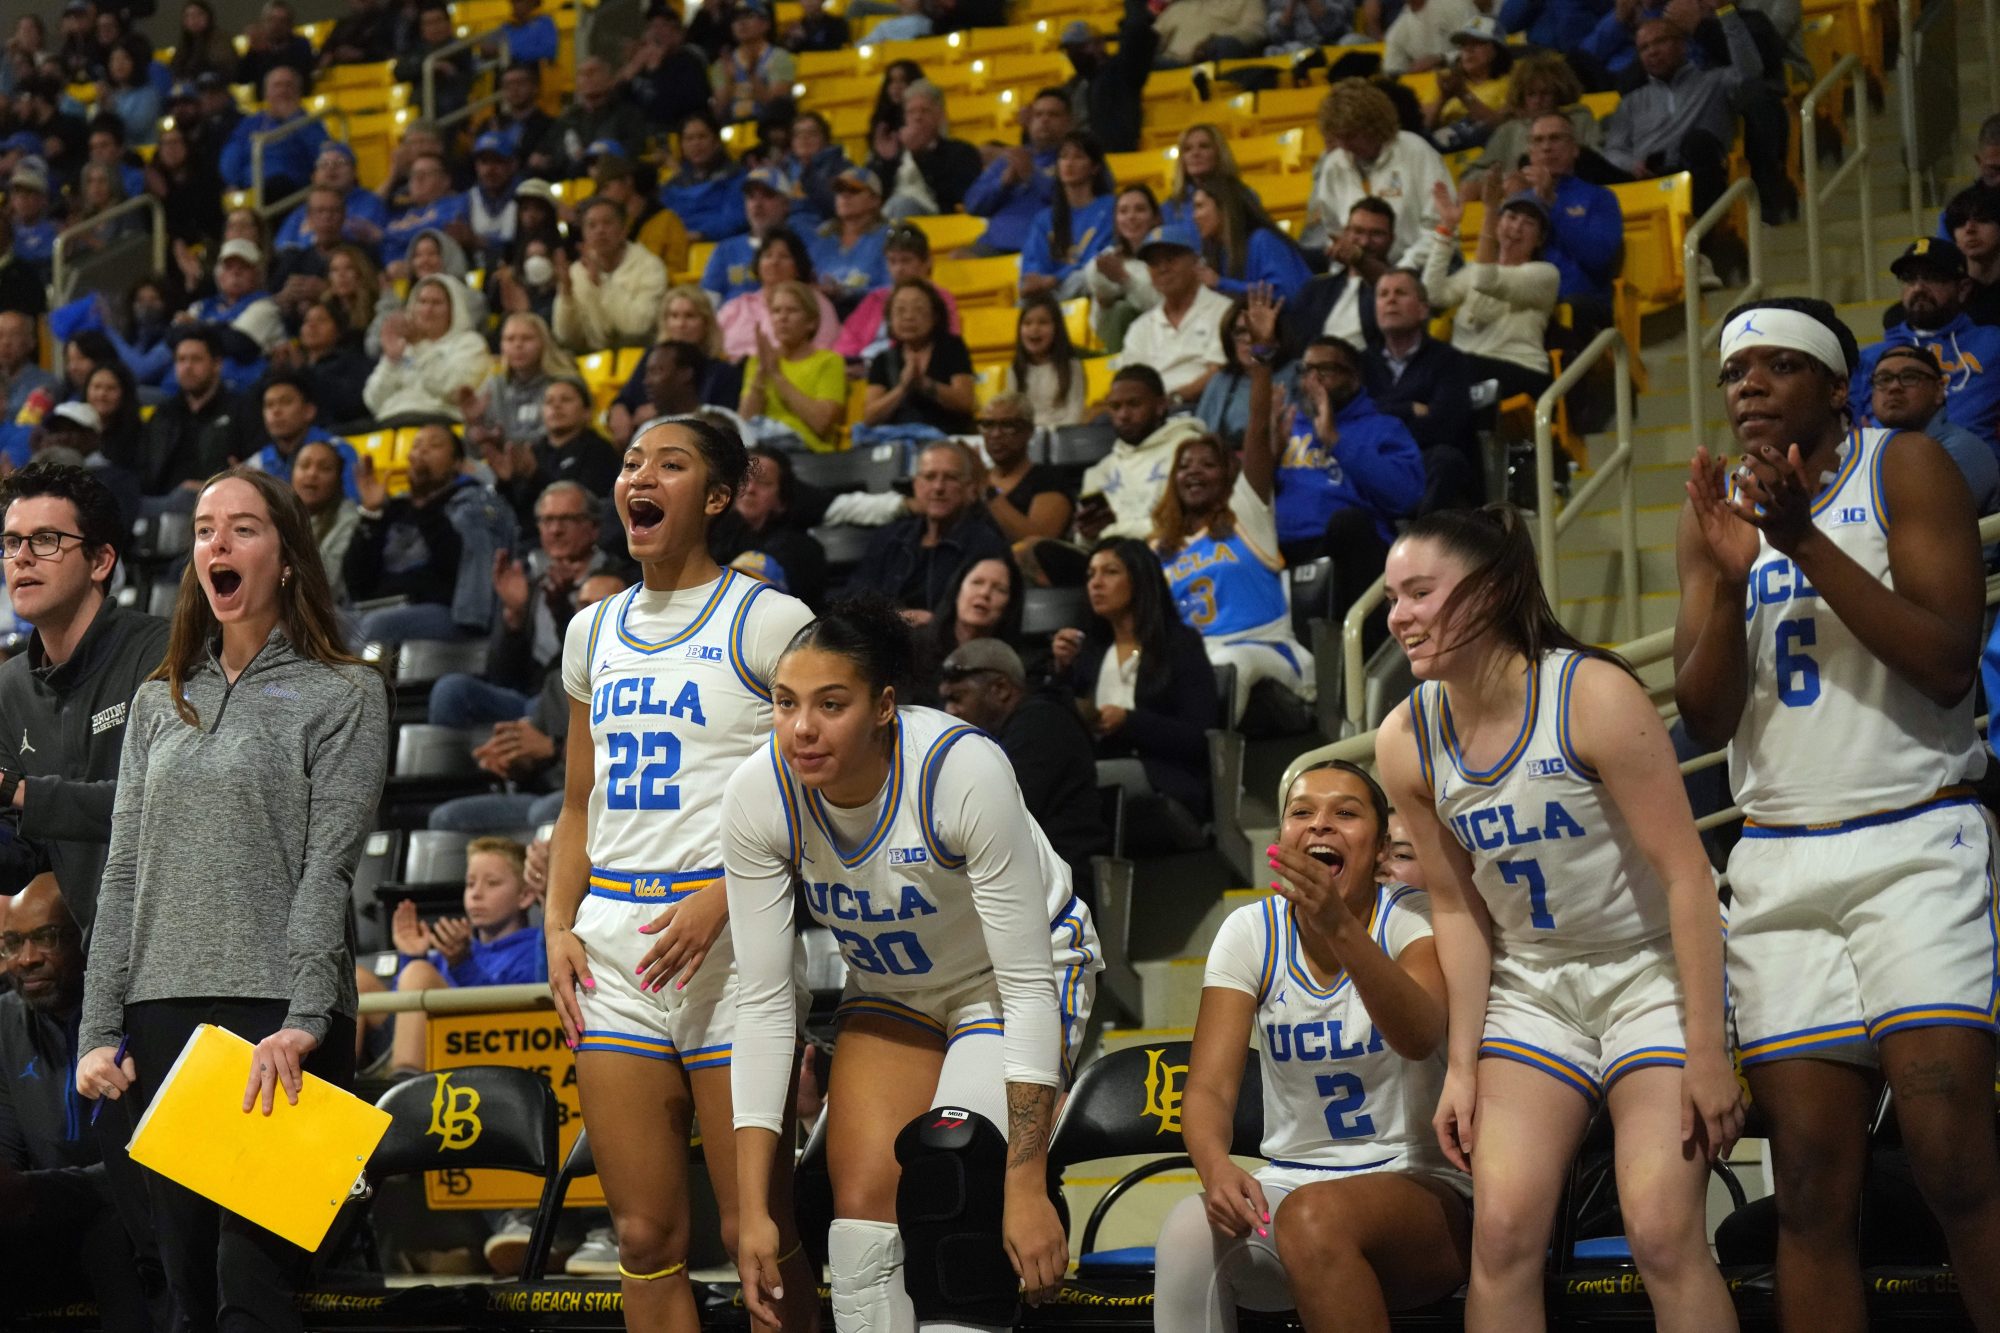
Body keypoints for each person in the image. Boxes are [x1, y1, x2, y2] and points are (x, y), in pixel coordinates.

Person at [1676, 298, 2000, 1332]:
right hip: (1777, 857)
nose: (1749, 387)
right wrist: (1727, 586)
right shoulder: (1716, 509)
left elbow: (1949, 666)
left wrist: (1801, 542)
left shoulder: (1901, 466)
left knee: (1952, 1158)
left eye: (1776, 366)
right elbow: (1702, 711)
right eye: (1735, 373)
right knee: (1810, 1190)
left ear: (1831, 383)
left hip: (1914, 836)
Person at [1372, 502, 1742, 1332]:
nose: (1399, 614)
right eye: (1392, 596)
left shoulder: (1593, 694)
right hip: (1534, 984)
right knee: (1500, 1237)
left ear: (1494, 588)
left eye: (1420, 592)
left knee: (1659, 1228)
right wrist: (1461, 1065)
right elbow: (1459, 909)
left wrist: (1709, 1044)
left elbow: (1689, 876)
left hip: (1648, 970)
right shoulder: (1405, 736)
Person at [721, 597, 1100, 1331]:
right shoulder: (758, 795)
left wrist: (1025, 1185)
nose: (803, 727)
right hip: (894, 990)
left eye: (832, 704)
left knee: (953, 1174)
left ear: (884, 705)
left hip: (1011, 977)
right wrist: (752, 1213)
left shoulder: (961, 768)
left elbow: (1027, 988)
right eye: (786, 702)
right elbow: (767, 1006)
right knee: (859, 1219)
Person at [75, 467, 389, 1333]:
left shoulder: (346, 691)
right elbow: (124, 871)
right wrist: (99, 1029)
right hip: (161, 1015)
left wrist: (306, 1018)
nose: (217, 542)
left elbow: (328, 869)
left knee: (250, 1292)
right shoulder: (156, 702)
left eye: (243, 528)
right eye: (207, 529)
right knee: (181, 1299)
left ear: (286, 557)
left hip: (279, 1022)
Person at [540, 413, 819, 1328]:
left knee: (756, 1226)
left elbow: (819, 791)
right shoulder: (592, 629)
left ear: (719, 495)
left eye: (671, 462)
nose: (640, 477)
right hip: (616, 943)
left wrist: (725, 897)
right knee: (644, 1235)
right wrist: (556, 927)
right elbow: (579, 802)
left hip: (732, 942)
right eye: (630, 463)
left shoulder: (769, 620)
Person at [1153, 761, 1471, 1333]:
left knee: (1313, 1217)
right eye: (1302, 812)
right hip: (1295, 1179)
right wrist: (1216, 1167)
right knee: (1185, 1232)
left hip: (1423, 1187)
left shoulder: (1412, 919)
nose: (1321, 824)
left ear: (1377, 851)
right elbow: (1207, 1089)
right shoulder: (1251, 932)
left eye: (1346, 813)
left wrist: (1338, 925)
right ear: (1282, 840)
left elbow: (1420, 1036)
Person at [0, 875, 156, 1332]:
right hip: (44, 1229)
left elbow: (149, 1171)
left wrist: (40, 1191)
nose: (27, 959)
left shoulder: (139, 1019)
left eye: (46, 938)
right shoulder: (4, 1025)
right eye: (11, 943)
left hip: (134, 1229)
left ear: (89, 939)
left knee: (110, 1233)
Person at [1241, 322, 1424, 623]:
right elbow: (1250, 498)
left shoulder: (1382, 428)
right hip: (1281, 547)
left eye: (1325, 370)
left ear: (1354, 378)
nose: (1312, 380)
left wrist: (1334, 440)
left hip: (1346, 548)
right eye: (1306, 370)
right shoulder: (1288, 425)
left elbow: (1405, 497)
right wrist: (1270, 452)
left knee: (1348, 523)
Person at [1050, 539, 1218, 818]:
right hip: (1102, 769)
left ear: (1140, 578)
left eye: (1110, 572)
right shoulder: (1091, 653)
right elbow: (1059, 724)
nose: (1096, 583)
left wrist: (1129, 722)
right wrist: (1062, 670)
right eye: (1091, 575)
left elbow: (1199, 738)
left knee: (1069, 784)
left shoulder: (1180, 646)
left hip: (1165, 776)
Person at [1151, 434, 1314, 721]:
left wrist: (1260, 388)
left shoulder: (1246, 518)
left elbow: (1259, 430)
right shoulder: (1158, 550)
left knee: (1228, 665)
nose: (1194, 471)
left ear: (1227, 475)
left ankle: (1208, 761)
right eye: (1184, 465)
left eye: (1208, 464)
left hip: (1264, 647)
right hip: (1196, 654)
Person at [355, 836, 546, 1079]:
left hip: (484, 1051)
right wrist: (413, 956)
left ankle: (400, 1088)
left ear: (526, 896)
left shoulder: (533, 949)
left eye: (492, 883)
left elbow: (506, 1020)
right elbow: (405, 1019)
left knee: (420, 974)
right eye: (470, 883)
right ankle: (328, 1086)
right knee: (355, 979)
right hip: (432, 1043)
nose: (476, 894)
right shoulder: (455, 949)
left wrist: (461, 966)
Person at [936, 636, 1109, 895]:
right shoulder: (1006, 732)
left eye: (958, 697)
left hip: (1058, 894)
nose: (950, 711)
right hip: (1019, 879)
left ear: (1000, 689)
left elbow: (994, 818)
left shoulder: (1043, 724)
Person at [344, 424, 518, 644]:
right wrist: (371, 513)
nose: (422, 450)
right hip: (376, 609)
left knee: (375, 626)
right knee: (307, 624)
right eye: (416, 445)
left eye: (434, 445)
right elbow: (356, 583)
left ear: (457, 464)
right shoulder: (394, 506)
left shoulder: (474, 504)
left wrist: (425, 505)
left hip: (442, 612)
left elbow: (460, 566)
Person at [1600, 12, 1766, 232]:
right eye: (1644, 48)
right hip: (1648, 182)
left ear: (1683, 45)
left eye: (1660, 41)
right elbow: (1613, 150)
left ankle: (1705, 233)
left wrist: (1727, 15)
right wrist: (1633, 164)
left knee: (1697, 141)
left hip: (1699, 179)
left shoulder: (1715, 82)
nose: (1653, 52)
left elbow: (1750, 74)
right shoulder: (1631, 103)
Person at [1850, 238, 2000, 455]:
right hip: (1890, 466)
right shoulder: (1870, 358)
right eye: (1909, 279)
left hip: (1970, 465)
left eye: (1932, 277)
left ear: (1963, 288)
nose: (1919, 287)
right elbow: (1852, 428)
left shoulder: (1993, 344)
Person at [1359, 269, 1485, 513]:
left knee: (1446, 460)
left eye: (1400, 293)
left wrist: (1383, 421)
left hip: (1424, 464)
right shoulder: (1360, 364)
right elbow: (1357, 422)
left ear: (1423, 309)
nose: (1391, 300)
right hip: (1378, 465)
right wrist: (1408, 408)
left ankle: (1420, 542)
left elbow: (1445, 426)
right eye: (1383, 294)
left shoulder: (1449, 360)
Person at [850, 442, 1011, 617]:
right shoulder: (890, 537)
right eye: (929, 477)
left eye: (950, 478)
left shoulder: (986, 546)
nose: (938, 488)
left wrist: (935, 625)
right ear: (916, 485)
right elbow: (854, 598)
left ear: (969, 488)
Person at [1495, 111, 1624, 325]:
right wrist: (1493, 209)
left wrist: (1552, 203)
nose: (1546, 147)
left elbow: (1599, 258)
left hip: (1580, 303)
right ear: (1530, 151)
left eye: (1555, 138)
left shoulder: (1600, 197)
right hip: (1526, 297)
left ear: (1574, 149)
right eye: (1538, 140)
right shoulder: (1518, 202)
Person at [1305, 80, 1450, 266]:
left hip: (1424, 269)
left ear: (1374, 126)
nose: (1344, 145)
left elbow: (1440, 227)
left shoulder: (1416, 152)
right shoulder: (1334, 165)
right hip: (1362, 274)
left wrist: (1402, 271)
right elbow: (1336, 234)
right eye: (1338, 137)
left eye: (1350, 136)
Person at [1074, 366, 1211, 546]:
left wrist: (1113, 530)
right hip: (1109, 564)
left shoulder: (1189, 450)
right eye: (1115, 407)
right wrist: (1086, 535)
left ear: (1161, 406)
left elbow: (1184, 525)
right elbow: (1085, 546)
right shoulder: (1098, 472)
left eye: (1134, 404)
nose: (1123, 415)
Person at [1868, 342, 2000, 520]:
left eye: (1909, 377)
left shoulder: (1961, 450)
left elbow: (1917, 524)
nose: (1894, 387)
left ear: (1939, 390)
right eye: (1883, 379)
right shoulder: (1869, 449)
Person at [1114, 225, 1236, 409]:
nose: (1162, 268)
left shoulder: (1224, 310)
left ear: (1196, 262)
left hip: (1204, 406)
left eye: (1170, 259)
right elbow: (1132, 380)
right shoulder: (1141, 327)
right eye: (1154, 263)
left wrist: (1175, 398)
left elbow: (1220, 371)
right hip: (1151, 412)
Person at [1453, 54, 1604, 201]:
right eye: (1531, 94)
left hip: (1570, 191)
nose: (1538, 100)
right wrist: (1506, 177)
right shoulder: (1509, 130)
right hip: (1516, 194)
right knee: (1468, 189)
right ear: (1522, 97)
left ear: (1559, 94)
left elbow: (1596, 163)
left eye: (1545, 93)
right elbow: (1474, 173)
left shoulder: (1580, 120)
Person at [139, 329, 259, 498]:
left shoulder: (242, 410)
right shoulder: (163, 413)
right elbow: (144, 471)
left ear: (217, 364)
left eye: (196, 359)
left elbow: (252, 471)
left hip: (220, 503)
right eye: (181, 360)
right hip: (161, 506)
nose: (187, 366)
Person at [362, 276, 492, 424]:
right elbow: (374, 402)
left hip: (439, 421)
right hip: (391, 421)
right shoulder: (403, 346)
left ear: (453, 309)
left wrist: (420, 347)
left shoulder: (470, 343)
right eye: (422, 302)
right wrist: (390, 361)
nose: (427, 310)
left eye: (436, 303)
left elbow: (455, 390)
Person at [739, 280, 848, 455]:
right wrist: (761, 372)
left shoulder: (829, 361)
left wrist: (777, 375)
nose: (782, 317)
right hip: (760, 451)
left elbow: (821, 423)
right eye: (776, 311)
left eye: (792, 311)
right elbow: (745, 422)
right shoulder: (758, 361)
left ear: (811, 322)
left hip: (808, 455)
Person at [835, 224, 964, 366]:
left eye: (906, 260)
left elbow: (948, 344)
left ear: (927, 262)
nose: (898, 269)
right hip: (864, 368)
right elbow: (848, 339)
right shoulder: (875, 299)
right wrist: (850, 364)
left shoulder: (940, 299)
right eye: (892, 261)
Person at [552, 197, 669, 355]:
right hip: (592, 357)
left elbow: (639, 327)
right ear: (584, 234)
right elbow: (566, 337)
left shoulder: (650, 267)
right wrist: (566, 294)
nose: (600, 230)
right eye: (592, 225)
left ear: (624, 230)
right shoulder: (576, 272)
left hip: (640, 353)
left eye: (607, 223)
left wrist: (602, 283)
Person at [861, 281, 978, 437]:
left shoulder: (952, 348)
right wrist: (902, 388)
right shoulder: (882, 359)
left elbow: (965, 402)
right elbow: (870, 417)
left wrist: (925, 384)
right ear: (890, 318)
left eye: (919, 309)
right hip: (898, 444)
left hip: (947, 439)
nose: (909, 317)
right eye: (900, 310)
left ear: (935, 316)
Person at [964, 90, 1070, 257]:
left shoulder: (1080, 158)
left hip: (1045, 247)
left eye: (1053, 114)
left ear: (1069, 122)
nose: (1044, 120)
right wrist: (1003, 183)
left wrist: (1032, 177)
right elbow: (972, 204)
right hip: (993, 244)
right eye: (1038, 114)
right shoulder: (1012, 158)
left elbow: (1079, 202)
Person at [467, 310, 578, 465]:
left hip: (553, 464)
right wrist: (473, 423)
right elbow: (474, 453)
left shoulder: (563, 382)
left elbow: (556, 439)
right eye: (510, 339)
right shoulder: (494, 386)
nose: (518, 345)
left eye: (527, 338)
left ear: (544, 343)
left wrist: (503, 441)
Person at [719, 227, 842, 362]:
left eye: (784, 256)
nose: (774, 262)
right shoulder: (737, 306)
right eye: (768, 255)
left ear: (798, 267)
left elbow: (822, 352)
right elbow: (712, 346)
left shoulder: (815, 303)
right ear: (758, 265)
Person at [1020, 133, 1116, 302]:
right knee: (1026, 299)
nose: (1069, 163)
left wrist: (1056, 278)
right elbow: (1034, 261)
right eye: (1063, 157)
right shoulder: (1044, 219)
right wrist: (1035, 278)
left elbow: (1102, 256)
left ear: (1095, 167)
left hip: (1090, 284)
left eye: (1078, 157)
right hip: (1052, 290)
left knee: (1088, 276)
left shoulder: (1110, 207)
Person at [870, 80, 983, 221]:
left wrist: (920, 155)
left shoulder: (960, 152)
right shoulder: (895, 150)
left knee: (901, 205)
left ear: (940, 116)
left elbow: (958, 194)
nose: (917, 117)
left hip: (935, 219)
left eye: (925, 110)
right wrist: (886, 162)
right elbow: (873, 194)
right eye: (911, 112)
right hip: (890, 214)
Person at [611, 332, 745, 449]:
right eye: (647, 373)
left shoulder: (725, 420)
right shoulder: (646, 430)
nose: (647, 381)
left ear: (685, 374)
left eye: (657, 371)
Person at [1057, 2, 1157, 154]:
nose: (1074, 54)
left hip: (1117, 157)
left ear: (1099, 44)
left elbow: (1137, 31)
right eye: (1069, 50)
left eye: (1080, 47)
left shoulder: (1121, 72)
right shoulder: (1071, 86)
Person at [246, 372, 360, 502]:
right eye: (269, 405)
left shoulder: (340, 451)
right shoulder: (256, 465)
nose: (276, 411)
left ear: (309, 411)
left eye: (286, 402)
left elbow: (353, 504)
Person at [1193, 178, 1313, 300]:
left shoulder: (1263, 240)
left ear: (1224, 208)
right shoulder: (1221, 254)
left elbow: (1285, 293)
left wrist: (1220, 283)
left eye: (1200, 206)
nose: (1194, 216)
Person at [219, 67, 325, 200]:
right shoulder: (250, 123)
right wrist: (232, 182)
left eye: (289, 85)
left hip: (294, 192)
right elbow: (231, 154)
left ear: (298, 92)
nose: (283, 91)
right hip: (253, 189)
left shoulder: (309, 123)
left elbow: (323, 152)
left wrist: (294, 117)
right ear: (266, 93)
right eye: (277, 85)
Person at [702, 167, 800, 308]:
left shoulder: (802, 245)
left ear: (786, 204)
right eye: (751, 197)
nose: (757, 204)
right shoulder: (725, 250)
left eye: (767, 195)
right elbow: (707, 306)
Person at [1086, 185, 1163, 354]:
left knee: (1122, 311)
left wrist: (1124, 280)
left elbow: (1165, 308)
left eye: (1140, 210)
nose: (1131, 217)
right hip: (1117, 343)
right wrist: (1103, 301)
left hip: (1160, 342)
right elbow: (1098, 327)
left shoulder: (1168, 258)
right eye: (1123, 211)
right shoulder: (1109, 258)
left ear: (1155, 218)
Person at [998, 295, 1088, 430]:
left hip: (1063, 436)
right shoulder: (1015, 369)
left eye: (1043, 322)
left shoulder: (1071, 367)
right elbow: (1014, 415)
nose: (1034, 329)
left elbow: (1075, 414)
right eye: (1027, 323)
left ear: (1056, 328)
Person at [662, 111, 748, 246]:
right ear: (681, 146)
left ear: (716, 142)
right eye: (689, 139)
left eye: (702, 137)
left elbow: (735, 219)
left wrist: (700, 234)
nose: (696, 144)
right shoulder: (672, 186)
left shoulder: (736, 177)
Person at [810, 168, 890, 313]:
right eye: (840, 191)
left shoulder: (888, 237)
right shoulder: (822, 236)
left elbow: (892, 290)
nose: (845, 196)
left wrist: (848, 292)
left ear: (875, 200)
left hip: (872, 316)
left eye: (854, 190)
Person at [291, 439, 360, 602]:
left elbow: (329, 584)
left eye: (324, 468)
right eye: (304, 465)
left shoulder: (349, 519)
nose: (312, 474)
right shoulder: (275, 515)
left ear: (338, 480)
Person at [710, 0, 796, 124]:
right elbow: (719, 113)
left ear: (766, 24)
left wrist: (751, 75)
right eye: (736, 19)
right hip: (733, 126)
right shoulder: (722, 63)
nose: (741, 23)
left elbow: (776, 107)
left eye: (749, 16)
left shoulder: (779, 58)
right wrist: (729, 80)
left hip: (767, 127)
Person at [1382, 0, 1480, 74]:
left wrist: (1442, 59)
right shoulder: (1396, 31)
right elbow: (1393, 72)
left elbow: (1484, 46)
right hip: (1428, 90)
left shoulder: (1457, 4)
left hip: (1471, 79)